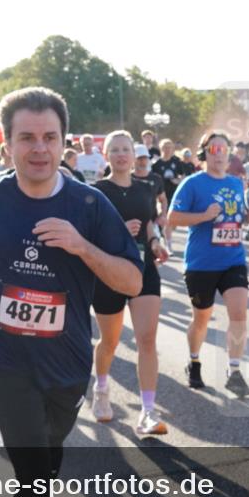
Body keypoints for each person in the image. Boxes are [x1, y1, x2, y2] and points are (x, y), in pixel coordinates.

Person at [0, 87, 142, 497]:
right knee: (35, 477)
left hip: (67, 363)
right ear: (7, 144)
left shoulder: (89, 204)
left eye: (49, 137)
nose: (39, 148)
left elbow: (132, 281)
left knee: (47, 462)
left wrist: (83, 247)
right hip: (2, 360)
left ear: (64, 141)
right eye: (27, 138)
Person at [90, 131, 171, 433]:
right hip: (109, 272)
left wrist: (155, 242)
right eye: (115, 150)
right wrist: (118, 231)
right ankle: (101, 389)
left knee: (147, 339)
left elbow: (148, 222)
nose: (122, 155)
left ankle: (148, 411)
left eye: (126, 149)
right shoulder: (96, 192)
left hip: (143, 269)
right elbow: (87, 235)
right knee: (110, 341)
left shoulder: (145, 189)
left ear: (134, 155)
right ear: (106, 155)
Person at [168, 130, 249, 396]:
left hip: (233, 259)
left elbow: (237, 216)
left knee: (239, 314)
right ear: (205, 154)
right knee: (201, 319)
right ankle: (194, 361)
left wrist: (248, 218)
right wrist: (203, 216)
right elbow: (173, 218)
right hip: (201, 263)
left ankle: (234, 371)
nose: (219, 155)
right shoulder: (192, 183)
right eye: (214, 149)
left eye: (224, 149)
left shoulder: (235, 183)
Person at [151, 138, 190, 249]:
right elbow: (152, 179)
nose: (167, 150)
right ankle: (167, 243)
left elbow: (184, 176)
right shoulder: (156, 164)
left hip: (174, 193)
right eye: (165, 147)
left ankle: (164, 234)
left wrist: (178, 180)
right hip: (161, 195)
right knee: (166, 218)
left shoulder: (176, 162)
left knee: (172, 221)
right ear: (161, 148)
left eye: (169, 147)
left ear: (173, 149)